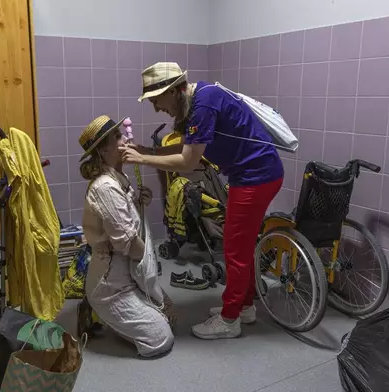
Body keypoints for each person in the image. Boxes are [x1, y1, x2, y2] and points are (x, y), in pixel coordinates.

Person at [120, 62, 284, 340]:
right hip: (252, 175)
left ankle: (230, 320)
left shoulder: (203, 105)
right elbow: (188, 146)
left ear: (173, 91)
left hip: (256, 177)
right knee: (240, 246)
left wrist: (142, 158)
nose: (157, 109)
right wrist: (148, 149)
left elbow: (187, 161)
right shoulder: (202, 97)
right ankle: (243, 307)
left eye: (157, 101)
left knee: (235, 250)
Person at [79, 115, 175, 358]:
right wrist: (152, 284)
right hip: (112, 287)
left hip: (128, 276)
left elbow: (123, 218)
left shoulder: (118, 179)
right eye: (118, 137)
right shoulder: (105, 187)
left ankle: (107, 313)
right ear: (103, 150)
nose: (125, 140)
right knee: (161, 338)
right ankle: (97, 308)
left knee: (168, 315)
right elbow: (129, 244)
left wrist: (137, 200)